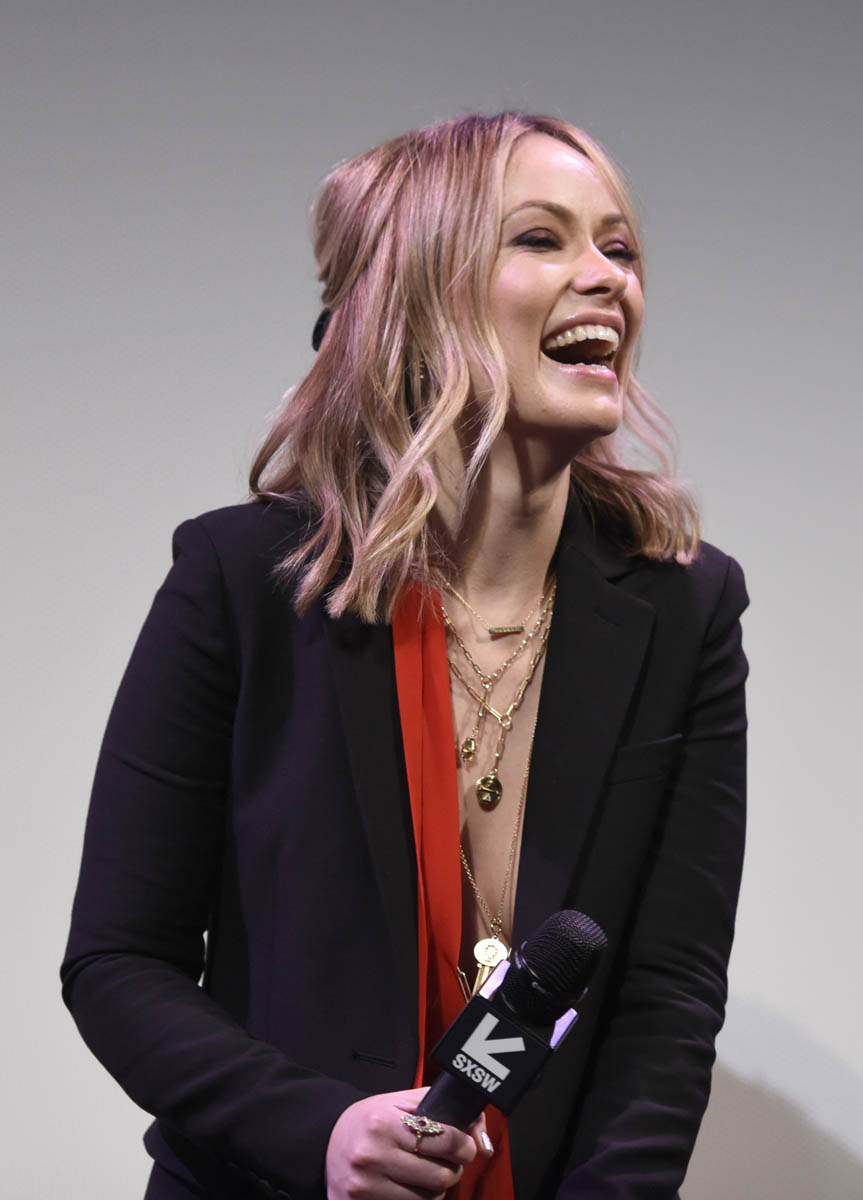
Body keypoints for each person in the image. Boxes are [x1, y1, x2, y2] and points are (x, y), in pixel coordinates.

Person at [61, 112, 748, 1200]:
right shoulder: (242, 581)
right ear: (420, 297)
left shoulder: (685, 608)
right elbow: (118, 963)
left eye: (617, 247)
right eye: (541, 239)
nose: (605, 278)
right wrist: (321, 1133)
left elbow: (666, 996)